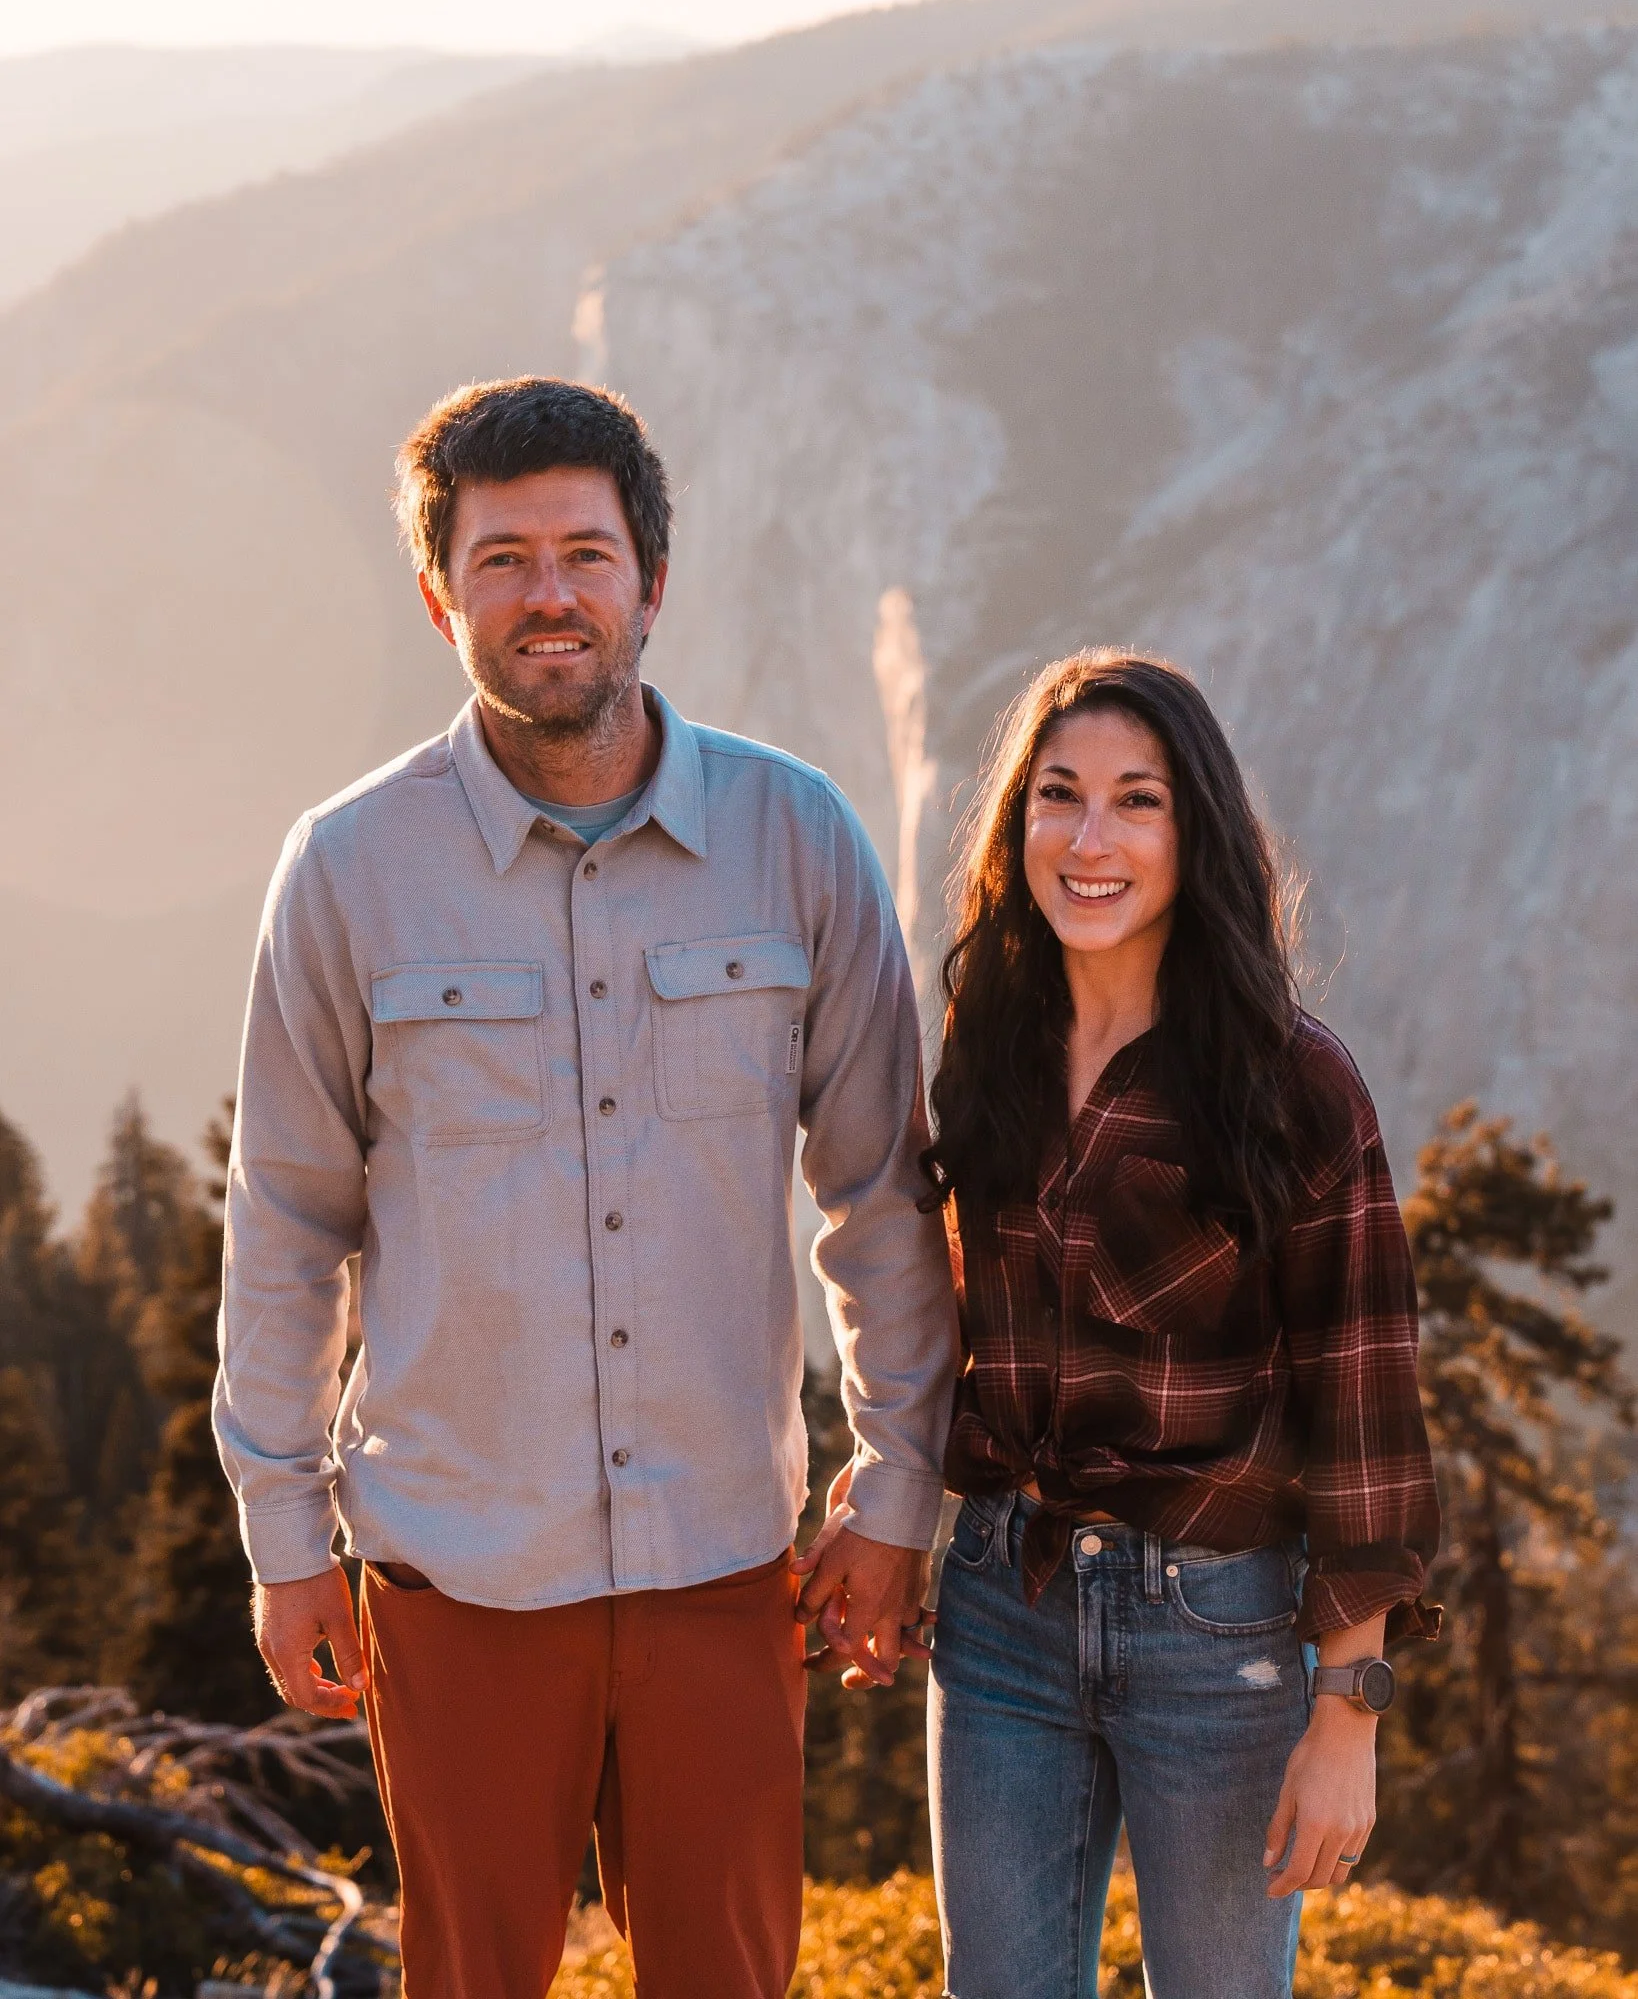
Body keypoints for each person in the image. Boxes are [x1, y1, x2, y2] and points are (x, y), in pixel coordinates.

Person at [211, 376, 957, 1999]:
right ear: (438, 595)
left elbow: (884, 1200)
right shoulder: (343, 870)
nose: (547, 594)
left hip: (721, 1569)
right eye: (500, 559)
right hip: (458, 1579)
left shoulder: (799, 837)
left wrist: (898, 1491)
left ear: (651, 581)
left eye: (583, 553)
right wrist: (281, 1532)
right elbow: (287, 1219)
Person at [919, 651, 1440, 1997]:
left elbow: (1366, 1414)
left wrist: (1350, 1716)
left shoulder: (1291, 1081)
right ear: (1014, 822)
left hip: (1217, 1638)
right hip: (1000, 1611)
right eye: (1058, 796)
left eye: (1134, 802)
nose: (1089, 840)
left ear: (1192, 829)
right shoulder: (988, 1042)